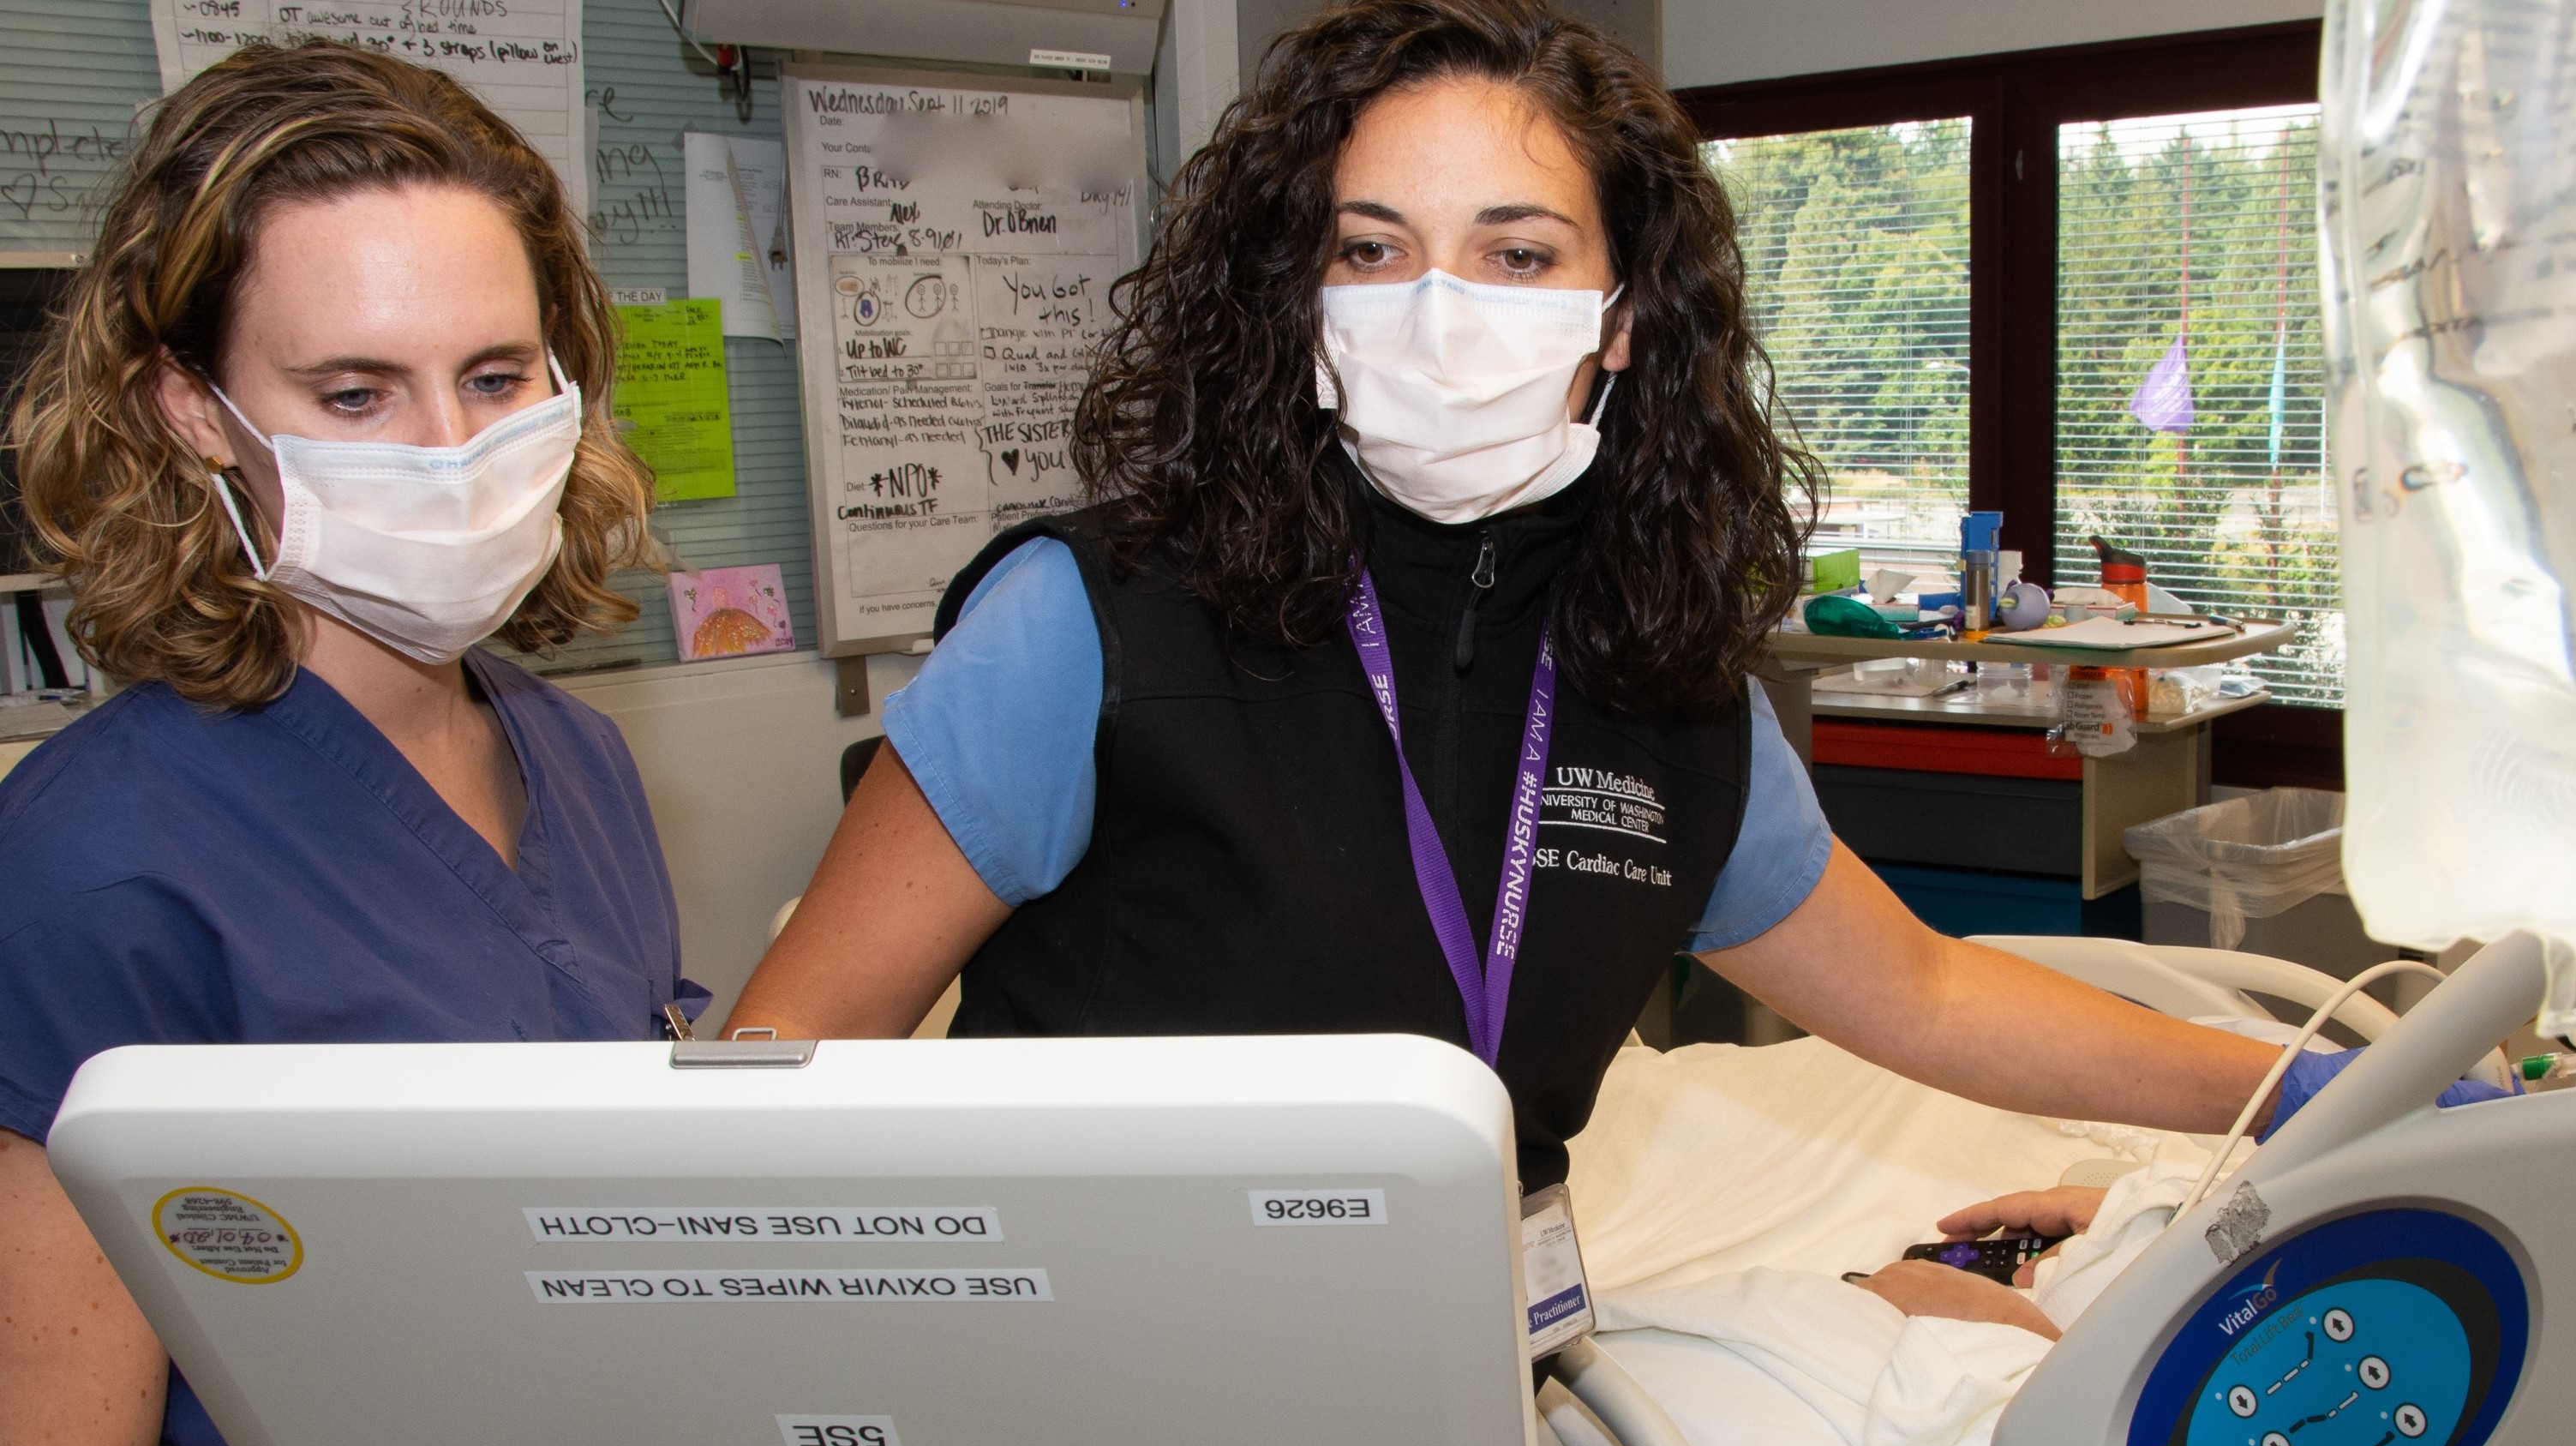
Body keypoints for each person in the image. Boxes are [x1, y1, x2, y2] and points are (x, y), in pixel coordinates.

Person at [729, 0, 2303, 1305]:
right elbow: (774, 1075)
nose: (1438, 316)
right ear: (1295, 299)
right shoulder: (1091, 622)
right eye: (1370, 251)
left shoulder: (1667, 683)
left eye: (1518, 254)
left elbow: (1930, 994)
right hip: (1105, 1363)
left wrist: (2286, 1081)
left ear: (1622, 319)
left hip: (1466, 1354)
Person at [0, 44, 699, 1446]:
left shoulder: (578, 761)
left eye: (496, 378)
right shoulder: (95, 864)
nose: (449, 451)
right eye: (355, 395)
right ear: (193, 408)